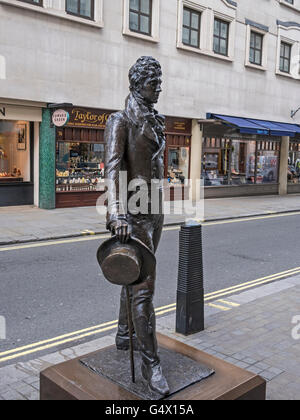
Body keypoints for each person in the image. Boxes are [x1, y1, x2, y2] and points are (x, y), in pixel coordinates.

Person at [104, 57, 169, 396]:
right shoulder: (121, 121)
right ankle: (151, 363)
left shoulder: (157, 120)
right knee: (143, 288)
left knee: (132, 281)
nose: (159, 87)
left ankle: (124, 333)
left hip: (154, 210)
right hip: (133, 213)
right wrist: (116, 214)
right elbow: (113, 169)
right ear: (137, 84)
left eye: (160, 82)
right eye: (153, 83)